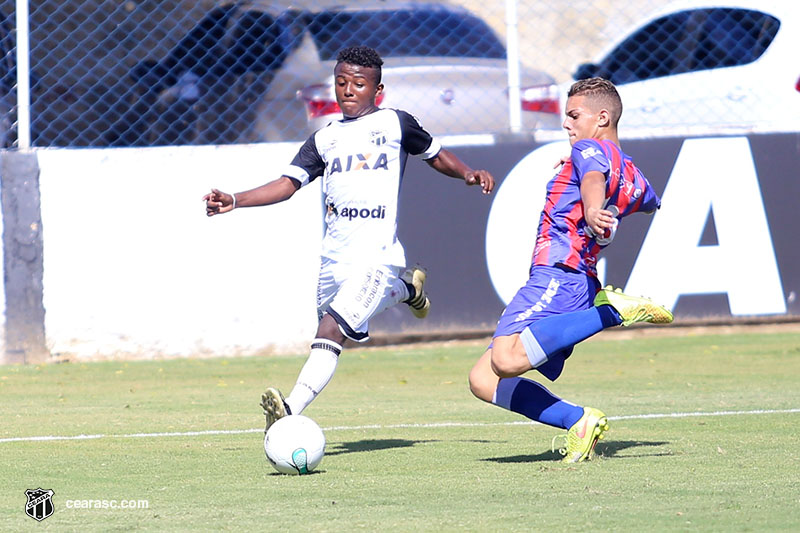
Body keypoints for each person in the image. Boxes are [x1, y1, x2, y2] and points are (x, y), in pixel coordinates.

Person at [203, 45, 495, 432]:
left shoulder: (395, 123)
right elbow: (288, 185)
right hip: (333, 261)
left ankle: (289, 410)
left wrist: (468, 173)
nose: (349, 90)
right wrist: (236, 200)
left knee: (331, 332)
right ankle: (407, 289)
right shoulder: (324, 140)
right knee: (330, 328)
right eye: (341, 82)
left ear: (378, 90)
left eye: (358, 83)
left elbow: (435, 154)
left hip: (376, 257)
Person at [468, 77, 673, 463]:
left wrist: (593, 204)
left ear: (602, 117)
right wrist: (600, 199)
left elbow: (594, 177)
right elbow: (649, 201)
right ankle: (578, 421)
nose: (567, 124)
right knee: (483, 379)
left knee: (505, 360)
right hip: (578, 278)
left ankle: (611, 311)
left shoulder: (589, 150)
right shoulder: (630, 172)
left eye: (574, 115)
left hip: (558, 274)